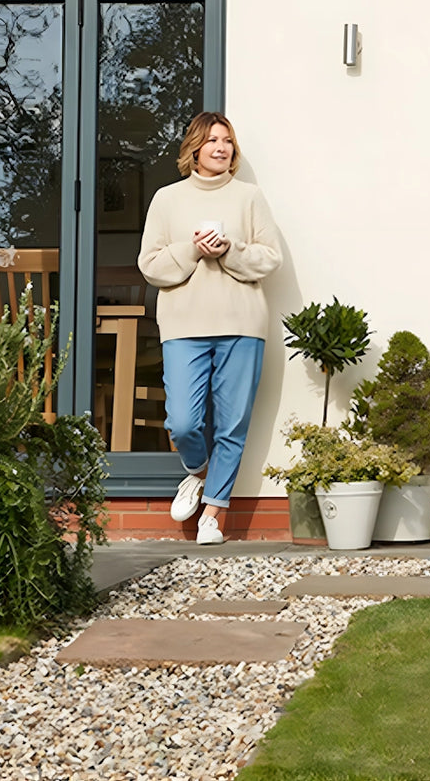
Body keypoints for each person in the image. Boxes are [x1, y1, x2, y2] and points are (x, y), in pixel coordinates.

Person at [138, 111, 282, 544]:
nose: (222, 148)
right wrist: (195, 250)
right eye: (213, 140)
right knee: (183, 422)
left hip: (242, 323)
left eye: (228, 141)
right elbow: (151, 266)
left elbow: (270, 258)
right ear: (194, 149)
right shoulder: (167, 199)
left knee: (232, 425)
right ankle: (197, 473)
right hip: (184, 325)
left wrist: (230, 250)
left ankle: (214, 516)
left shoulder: (249, 197)